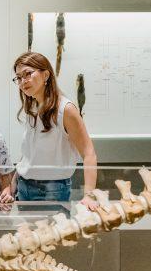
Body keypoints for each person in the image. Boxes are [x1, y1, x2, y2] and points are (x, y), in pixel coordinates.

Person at [12, 51, 98, 208]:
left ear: (45, 75)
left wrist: (89, 195)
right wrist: (14, 182)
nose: (23, 81)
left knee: (52, 233)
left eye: (28, 74)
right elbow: (29, 154)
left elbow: (89, 153)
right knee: (27, 233)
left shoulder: (66, 109)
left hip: (51, 190)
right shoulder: (32, 107)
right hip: (23, 187)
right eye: (18, 78)